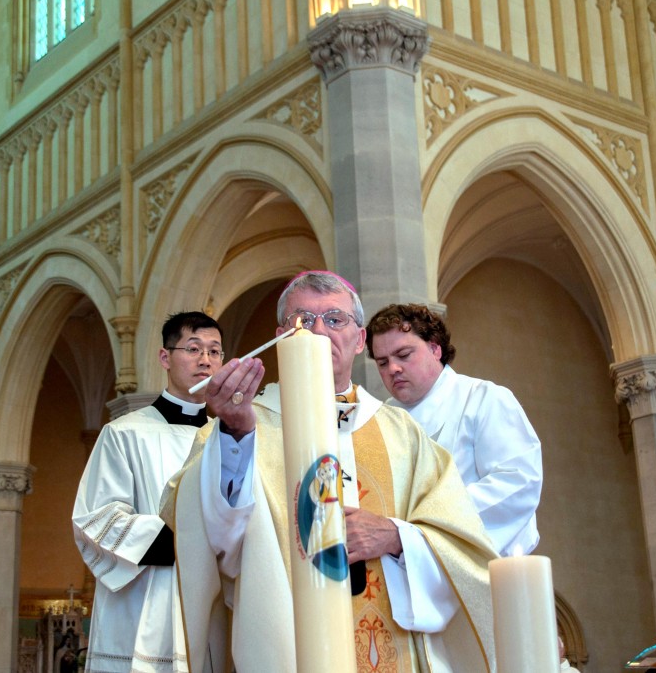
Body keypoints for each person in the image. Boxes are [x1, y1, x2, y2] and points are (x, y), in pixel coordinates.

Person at [161, 271, 499, 672]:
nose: (318, 333)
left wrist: (397, 537)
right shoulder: (243, 424)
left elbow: (464, 541)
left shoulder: (403, 434)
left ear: (359, 341)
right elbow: (202, 537)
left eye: (335, 320)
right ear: (280, 335)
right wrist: (235, 434)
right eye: (301, 321)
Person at [72, 312, 224, 673]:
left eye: (215, 351)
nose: (206, 360)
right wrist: (185, 539)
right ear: (164, 357)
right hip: (148, 600)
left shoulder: (231, 439)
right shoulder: (124, 434)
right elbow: (95, 519)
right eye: (193, 348)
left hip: (216, 599)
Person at [365, 303, 543, 556]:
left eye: (404, 355)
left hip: (480, 567)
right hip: (402, 571)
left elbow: (516, 483)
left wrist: (418, 532)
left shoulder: (483, 399)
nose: (393, 369)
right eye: (383, 363)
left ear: (435, 348)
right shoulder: (379, 421)